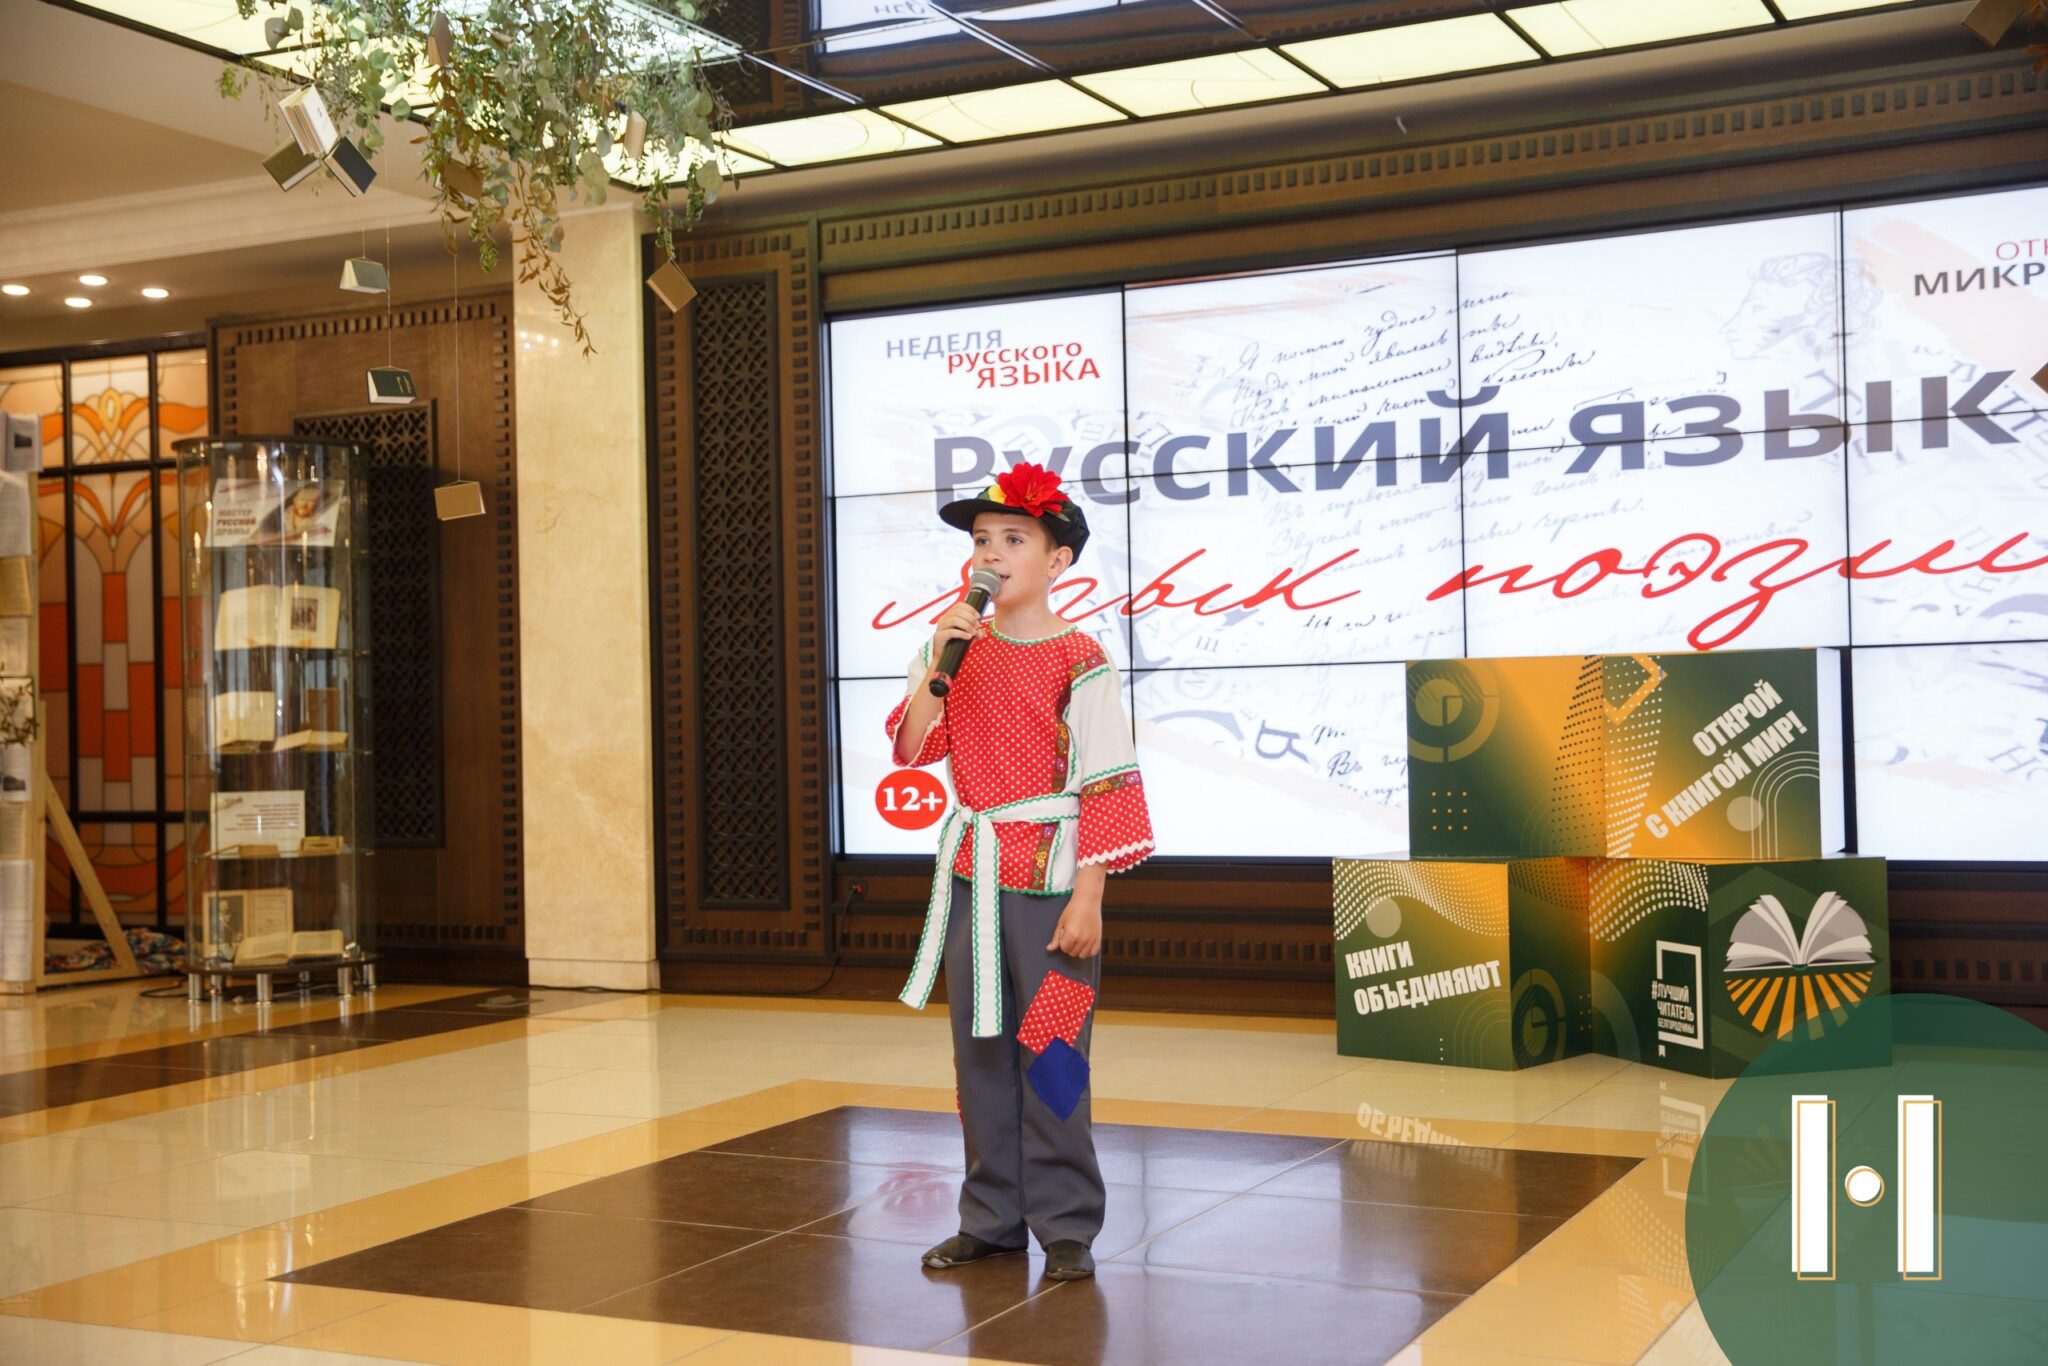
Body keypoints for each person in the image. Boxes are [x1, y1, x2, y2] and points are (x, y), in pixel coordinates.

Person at [885, 460, 1155, 1283]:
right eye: (981, 541)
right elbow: (911, 746)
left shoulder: (1081, 657)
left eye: (1013, 539)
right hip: (975, 874)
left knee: (1054, 1050)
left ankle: (1066, 1224)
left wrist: (1090, 896)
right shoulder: (951, 646)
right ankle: (991, 1219)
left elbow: (1107, 776)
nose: (991, 555)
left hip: (1055, 879)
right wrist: (942, 660)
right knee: (979, 1053)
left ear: (1057, 560)